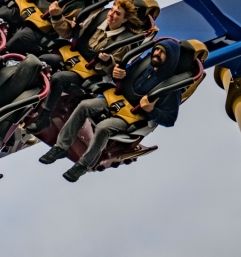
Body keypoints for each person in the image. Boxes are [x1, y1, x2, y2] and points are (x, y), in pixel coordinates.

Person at [40, 39, 183, 182]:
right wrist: (118, 72)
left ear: (170, 59)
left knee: (104, 128)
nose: (157, 53)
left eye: (162, 52)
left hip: (132, 115)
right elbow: (124, 74)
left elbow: (170, 119)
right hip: (116, 99)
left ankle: (84, 164)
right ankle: (61, 147)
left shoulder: (171, 88)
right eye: (157, 50)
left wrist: (151, 110)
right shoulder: (143, 64)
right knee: (84, 106)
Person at [27, 0, 146, 132]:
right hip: (74, 57)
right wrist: (76, 27)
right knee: (43, 59)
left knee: (58, 78)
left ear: (125, 20)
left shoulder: (125, 42)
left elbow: (113, 70)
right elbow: (77, 35)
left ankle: (45, 118)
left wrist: (107, 60)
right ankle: (26, 95)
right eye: (112, 10)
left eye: (117, 14)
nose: (111, 14)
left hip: (89, 74)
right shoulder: (100, 18)